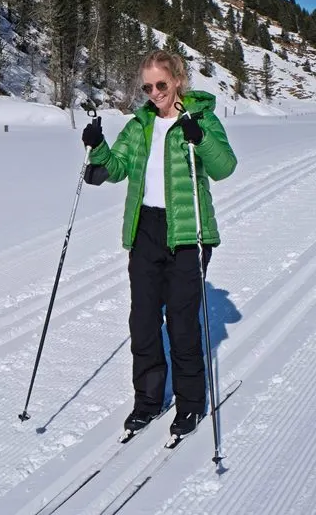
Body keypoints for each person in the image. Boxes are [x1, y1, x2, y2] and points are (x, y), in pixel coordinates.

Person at [81, 49, 237, 438]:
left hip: (189, 233)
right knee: (144, 320)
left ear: (178, 80)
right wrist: (98, 148)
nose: (154, 92)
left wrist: (199, 139)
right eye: (147, 86)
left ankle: (189, 404)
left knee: (182, 323)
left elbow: (224, 167)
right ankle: (148, 401)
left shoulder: (200, 118)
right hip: (146, 229)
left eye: (161, 85)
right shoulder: (140, 125)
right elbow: (117, 168)